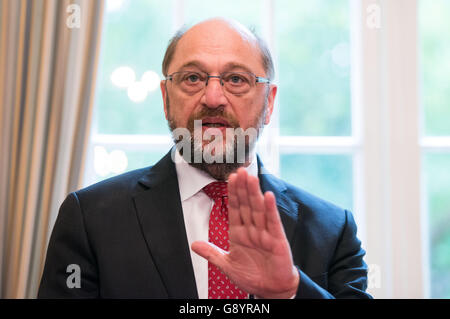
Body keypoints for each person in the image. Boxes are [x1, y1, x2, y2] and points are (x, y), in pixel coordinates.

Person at [38, 18, 371, 299]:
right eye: (193, 78)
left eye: (237, 79)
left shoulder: (333, 229)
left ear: (269, 102)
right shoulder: (90, 219)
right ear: (166, 98)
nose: (213, 98)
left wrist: (292, 291)